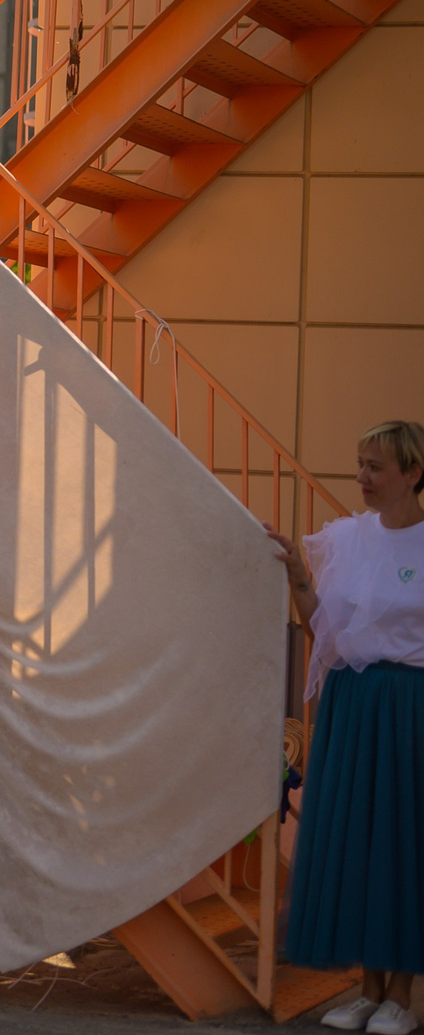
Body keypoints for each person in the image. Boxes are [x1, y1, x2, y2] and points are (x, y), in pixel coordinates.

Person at [275, 421, 424, 1035]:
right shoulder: (347, 539)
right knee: (358, 840)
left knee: (402, 839)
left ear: (413, 473)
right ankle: (367, 990)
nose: (361, 478)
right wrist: (300, 580)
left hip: (410, 702)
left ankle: (403, 997)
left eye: (375, 467)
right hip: (353, 701)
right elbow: (325, 631)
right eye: (359, 464)